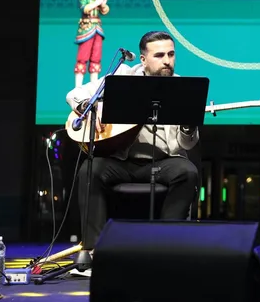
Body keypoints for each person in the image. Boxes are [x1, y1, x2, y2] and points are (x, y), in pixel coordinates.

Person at [67, 31, 199, 257]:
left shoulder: (182, 88)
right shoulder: (122, 77)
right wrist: (87, 107)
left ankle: (168, 246)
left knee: (187, 172)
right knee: (90, 169)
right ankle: (95, 249)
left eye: (171, 54)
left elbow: (185, 145)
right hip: (122, 162)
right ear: (143, 60)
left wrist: (189, 127)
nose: (167, 61)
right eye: (159, 55)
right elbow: (74, 94)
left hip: (161, 163)